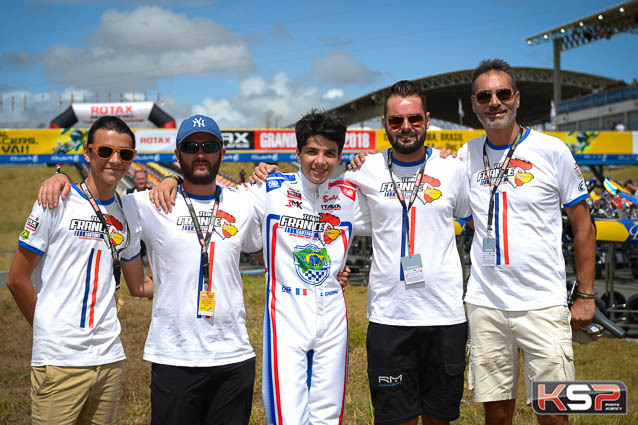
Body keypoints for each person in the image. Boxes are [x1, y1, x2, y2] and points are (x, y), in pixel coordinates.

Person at [252, 81, 472, 425]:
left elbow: (479, 215)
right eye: (396, 121)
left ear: (427, 120)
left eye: (414, 119)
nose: (406, 127)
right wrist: (171, 182)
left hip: (443, 314)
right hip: (388, 316)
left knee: (439, 417)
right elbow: (237, 201)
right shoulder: (363, 172)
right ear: (384, 124)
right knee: (393, 417)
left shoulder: (452, 168)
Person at [38, 114, 263, 425]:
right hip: (174, 356)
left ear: (222, 153)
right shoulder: (144, 204)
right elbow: (99, 196)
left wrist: (331, 275)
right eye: (190, 146)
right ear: (177, 155)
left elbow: (275, 253)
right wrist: (60, 177)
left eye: (209, 146)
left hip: (233, 356)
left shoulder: (244, 204)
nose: (200, 153)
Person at [152, 110, 363, 425]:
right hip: (287, 315)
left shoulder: (350, 195)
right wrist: (172, 179)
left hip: (333, 315)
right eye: (312, 151)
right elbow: (211, 195)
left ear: (339, 156)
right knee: (289, 417)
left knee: (328, 415)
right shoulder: (271, 188)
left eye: (330, 153)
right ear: (298, 153)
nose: (320, 161)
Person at [458, 59, 595, 425]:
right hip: (486, 304)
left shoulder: (552, 150)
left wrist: (585, 294)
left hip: (543, 304)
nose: (494, 103)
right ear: (473, 104)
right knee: (497, 415)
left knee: (553, 414)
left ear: (516, 98)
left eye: (502, 94)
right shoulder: (464, 155)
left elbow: (583, 226)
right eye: (484, 96)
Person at [7, 116, 151, 425]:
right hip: (60, 361)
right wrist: (47, 328)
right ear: (87, 153)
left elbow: (138, 285)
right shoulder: (56, 199)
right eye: (105, 151)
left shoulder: (129, 211)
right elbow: (16, 279)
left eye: (125, 154)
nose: (115, 160)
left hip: (110, 358)